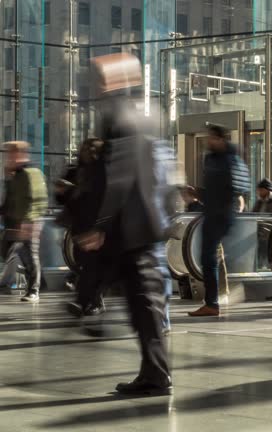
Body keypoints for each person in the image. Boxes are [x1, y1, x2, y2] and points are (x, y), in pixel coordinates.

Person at [76, 52, 172, 395]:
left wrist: (99, 224)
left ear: (116, 79)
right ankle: (154, 372)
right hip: (137, 224)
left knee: (143, 302)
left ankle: (156, 375)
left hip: (129, 226)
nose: (95, 81)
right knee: (141, 303)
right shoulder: (142, 114)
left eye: (100, 75)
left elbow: (120, 172)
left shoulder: (118, 114)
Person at [187, 123, 250, 317]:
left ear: (221, 139)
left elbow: (238, 189)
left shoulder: (231, 160)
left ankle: (214, 302)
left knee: (210, 256)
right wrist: (198, 193)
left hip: (221, 214)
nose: (208, 141)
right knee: (208, 257)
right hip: (212, 213)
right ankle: (213, 301)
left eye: (211, 138)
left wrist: (220, 205)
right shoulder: (210, 159)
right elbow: (214, 191)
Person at [55, 138, 110, 317]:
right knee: (82, 264)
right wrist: (62, 192)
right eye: (86, 149)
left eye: (92, 149)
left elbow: (99, 199)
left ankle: (92, 301)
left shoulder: (102, 173)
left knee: (92, 266)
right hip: (79, 227)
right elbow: (66, 200)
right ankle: (88, 300)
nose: (88, 152)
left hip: (96, 227)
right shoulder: (75, 171)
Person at [0, 141, 48, 303]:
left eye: (11, 154)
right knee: (9, 251)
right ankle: (38, 283)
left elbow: (37, 199)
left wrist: (29, 223)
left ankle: (34, 289)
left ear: (20, 155)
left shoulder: (31, 173)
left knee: (29, 255)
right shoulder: (15, 175)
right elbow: (9, 200)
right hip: (14, 223)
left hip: (28, 222)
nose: (8, 158)